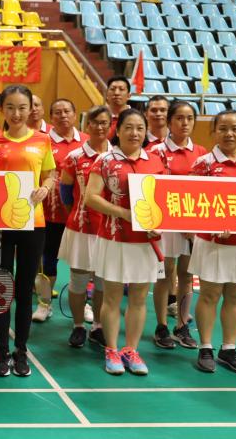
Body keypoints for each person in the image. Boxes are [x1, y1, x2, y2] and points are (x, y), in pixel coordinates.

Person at [84, 108, 167, 376]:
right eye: (128, 127)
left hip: (145, 241)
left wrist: (158, 222)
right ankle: (111, 349)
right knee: (112, 297)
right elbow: (91, 197)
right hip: (114, 238)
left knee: (139, 298)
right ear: (118, 131)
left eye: (140, 128)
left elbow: (164, 200)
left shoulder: (156, 161)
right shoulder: (105, 160)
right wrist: (124, 214)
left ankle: (131, 349)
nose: (134, 133)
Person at [0, 85, 56, 377]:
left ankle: (21, 351)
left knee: (25, 290)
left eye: (22, 107)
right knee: (2, 287)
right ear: (2, 109)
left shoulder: (42, 140)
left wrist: (45, 188)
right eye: (11, 108)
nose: (16, 113)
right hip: (2, 225)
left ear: (31, 109)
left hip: (33, 223)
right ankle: (2, 351)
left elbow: (50, 174)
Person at [190, 110, 236, 374]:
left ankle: (228, 349)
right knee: (210, 295)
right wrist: (212, 224)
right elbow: (191, 203)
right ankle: (205, 347)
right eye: (222, 128)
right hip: (213, 243)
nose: (229, 134)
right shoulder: (204, 164)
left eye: (234, 128)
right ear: (214, 132)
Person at [148, 100, 206, 350]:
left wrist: (193, 222)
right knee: (165, 273)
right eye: (179, 118)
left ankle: (182, 325)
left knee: (187, 274)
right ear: (169, 121)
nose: (185, 123)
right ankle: (161, 326)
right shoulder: (156, 151)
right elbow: (150, 186)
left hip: (191, 225)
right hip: (165, 223)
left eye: (189, 118)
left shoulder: (202, 153)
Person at [58, 105, 111, 348]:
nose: (99, 127)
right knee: (78, 280)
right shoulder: (75, 157)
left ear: (110, 126)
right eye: (94, 122)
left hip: (109, 231)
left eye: (104, 122)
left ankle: (98, 326)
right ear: (87, 125)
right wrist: (78, 214)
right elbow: (65, 192)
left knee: (103, 282)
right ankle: (78, 325)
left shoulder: (117, 156)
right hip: (81, 228)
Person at [36, 98, 83, 323]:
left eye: (67, 111)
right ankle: (44, 304)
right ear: (51, 117)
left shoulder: (86, 141)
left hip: (80, 216)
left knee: (82, 264)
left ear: (75, 114)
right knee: (48, 261)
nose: (63, 115)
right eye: (57, 112)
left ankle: (84, 304)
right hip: (50, 214)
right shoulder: (42, 141)